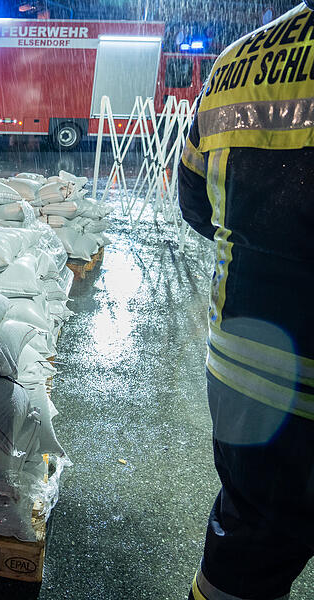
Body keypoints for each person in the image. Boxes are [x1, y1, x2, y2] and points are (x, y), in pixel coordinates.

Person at [178, 3, 314, 598]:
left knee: (246, 545)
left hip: (243, 369)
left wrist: (255, 240)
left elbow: (195, 202)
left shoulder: (238, 60)